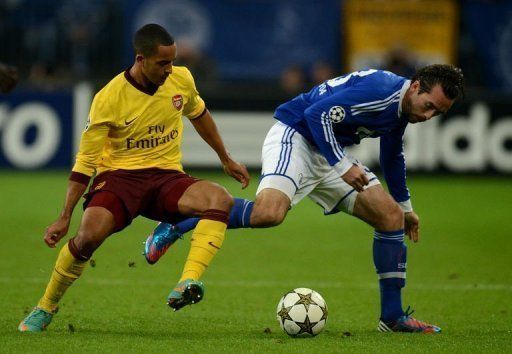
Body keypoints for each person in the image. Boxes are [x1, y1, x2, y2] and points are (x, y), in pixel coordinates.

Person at [144, 64, 464, 333]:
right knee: (269, 213)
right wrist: (342, 165)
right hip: (295, 137)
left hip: (327, 152)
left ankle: (393, 318)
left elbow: (392, 154)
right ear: (416, 87)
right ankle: (178, 222)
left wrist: (407, 209)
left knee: (391, 217)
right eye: (429, 106)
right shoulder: (380, 91)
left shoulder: (402, 106)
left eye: (438, 112)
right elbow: (315, 114)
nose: (429, 115)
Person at [18, 24, 250, 332]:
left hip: (166, 177)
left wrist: (225, 157)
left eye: (172, 61)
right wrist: (64, 217)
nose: (169, 69)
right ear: (141, 59)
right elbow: (85, 162)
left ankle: (187, 281)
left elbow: (199, 114)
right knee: (88, 236)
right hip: (119, 178)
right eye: (162, 63)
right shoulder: (109, 98)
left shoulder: (181, 79)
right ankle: (45, 307)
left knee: (219, 198)